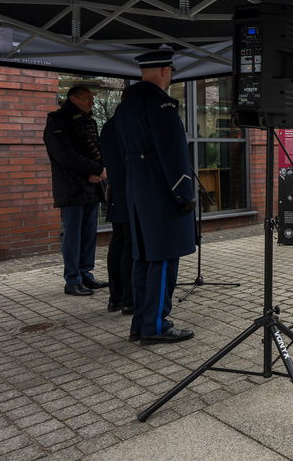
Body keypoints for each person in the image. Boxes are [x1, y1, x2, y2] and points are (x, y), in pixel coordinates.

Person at [113, 49, 196, 345]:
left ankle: (140, 323)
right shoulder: (161, 104)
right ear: (165, 71)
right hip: (161, 190)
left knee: (143, 258)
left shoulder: (124, 107)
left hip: (137, 189)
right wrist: (184, 192)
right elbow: (173, 154)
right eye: (171, 71)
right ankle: (156, 325)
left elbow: (123, 154)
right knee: (162, 258)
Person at [43, 85, 108, 297]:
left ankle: (85, 274)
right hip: (71, 188)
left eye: (92, 98)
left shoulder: (89, 122)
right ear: (73, 99)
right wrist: (97, 169)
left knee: (89, 233)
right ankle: (72, 280)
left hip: (91, 185)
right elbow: (65, 156)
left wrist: (100, 172)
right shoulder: (56, 123)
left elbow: (98, 150)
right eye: (87, 98)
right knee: (73, 235)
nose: (92, 103)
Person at [99, 87, 133, 315]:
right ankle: (129, 299)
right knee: (130, 245)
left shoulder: (109, 124)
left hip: (117, 192)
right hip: (131, 192)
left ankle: (116, 298)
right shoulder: (127, 123)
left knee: (118, 243)